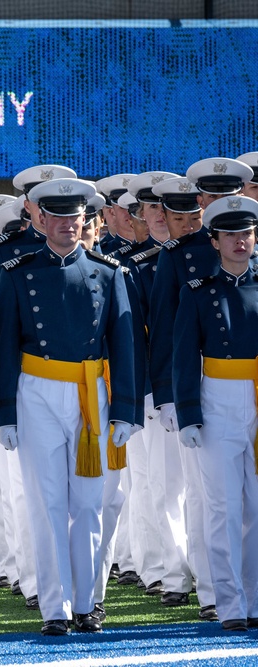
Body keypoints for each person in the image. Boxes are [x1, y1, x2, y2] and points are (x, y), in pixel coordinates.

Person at [0, 178, 135, 636]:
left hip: (90, 393)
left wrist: (125, 409)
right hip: (36, 390)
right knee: (47, 502)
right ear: (39, 218)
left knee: (90, 504)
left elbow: (124, 344)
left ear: (85, 220)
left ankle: (88, 600)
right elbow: (4, 346)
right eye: (57, 215)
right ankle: (55, 605)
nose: (68, 224)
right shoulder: (18, 271)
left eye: (76, 216)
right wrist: (5, 414)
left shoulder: (107, 271)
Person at [173, 195, 258, 631]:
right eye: (231, 235)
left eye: (246, 233)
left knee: (256, 506)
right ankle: (229, 603)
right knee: (223, 506)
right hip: (219, 398)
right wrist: (188, 413)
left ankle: (255, 598)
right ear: (215, 241)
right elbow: (184, 355)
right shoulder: (200, 293)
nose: (241, 241)